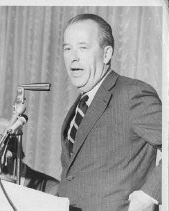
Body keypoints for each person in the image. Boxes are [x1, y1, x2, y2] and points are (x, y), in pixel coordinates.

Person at [58, 13, 162, 211]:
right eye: (67, 48)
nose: (73, 57)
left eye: (83, 47)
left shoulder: (132, 93)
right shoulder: (82, 103)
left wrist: (150, 194)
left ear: (106, 54)